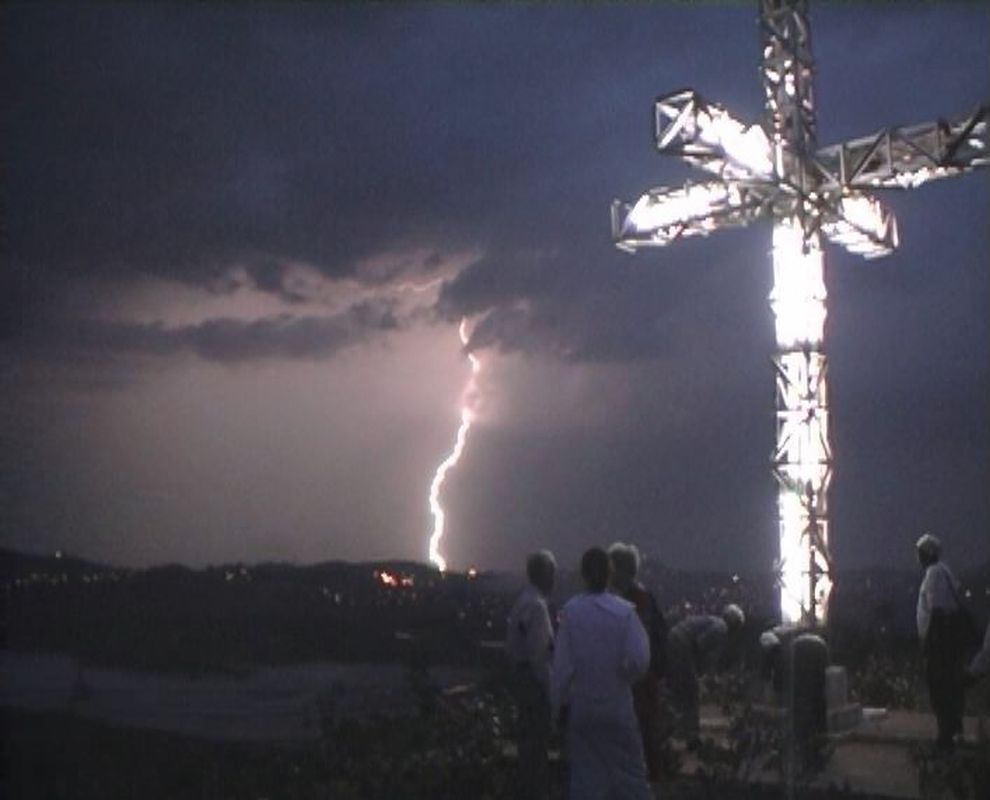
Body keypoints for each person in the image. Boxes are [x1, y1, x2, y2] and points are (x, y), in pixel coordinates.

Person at [551, 547, 653, 800]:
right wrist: (623, 676)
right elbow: (640, 659)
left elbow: (561, 669)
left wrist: (558, 709)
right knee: (632, 780)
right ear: (610, 574)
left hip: (583, 707)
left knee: (586, 781)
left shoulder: (571, 612)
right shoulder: (624, 613)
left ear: (583, 574)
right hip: (617, 706)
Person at [608, 541, 668, 783]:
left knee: (642, 735)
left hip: (639, 681)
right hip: (641, 680)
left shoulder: (636, 600)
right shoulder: (640, 598)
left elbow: (637, 645)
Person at [505, 550, 557, 800]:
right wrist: (552, 692)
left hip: (521, 681)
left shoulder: (523, 602)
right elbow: (540, 656)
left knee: (527, 750)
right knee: (535, 751)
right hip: (533, 687)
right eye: (552, 574)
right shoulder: (536, 607)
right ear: (544, 575)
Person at [666, 603, 746, 748]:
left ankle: (680, 730)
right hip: (681, 645)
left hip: (676, 641)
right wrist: (700, 673)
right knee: (691, 691)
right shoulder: (721, 628)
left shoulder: (715, 622)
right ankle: (690, 735)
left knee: (682, 691)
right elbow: (699, 645)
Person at [915, 532, 967, 753]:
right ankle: (952, 730)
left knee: (940, 687)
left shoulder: (934, 574)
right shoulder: (944, 571)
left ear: (926, 554)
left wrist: (928, 643)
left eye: (919, 554)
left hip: (939, 642)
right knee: (950, 686)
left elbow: (936, 609)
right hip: (948, 641)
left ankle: (945, 737)